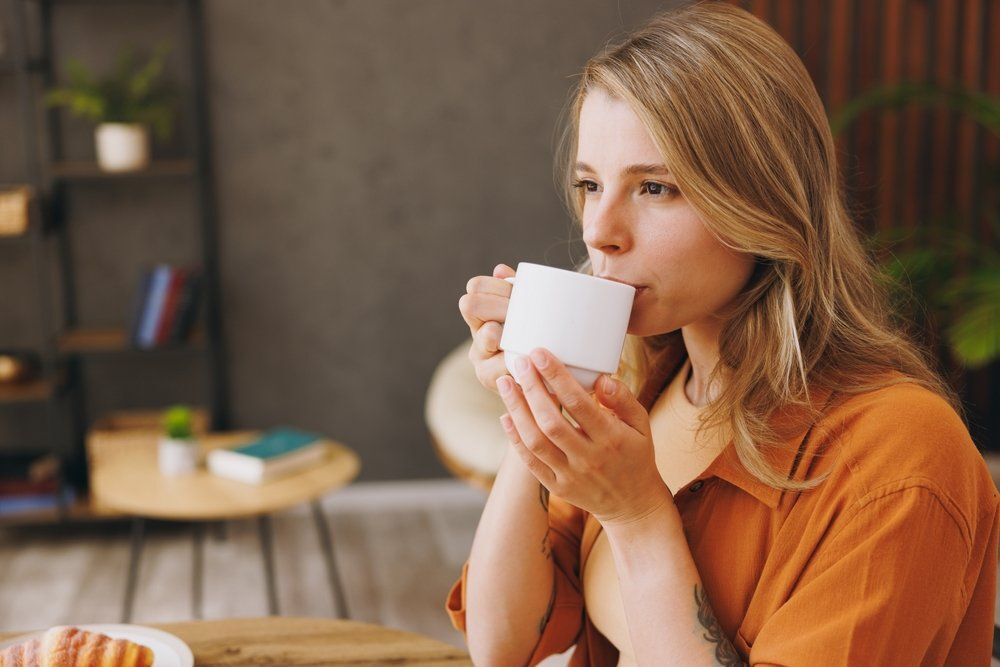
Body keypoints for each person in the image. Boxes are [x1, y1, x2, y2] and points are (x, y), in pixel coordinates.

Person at [447, 3, 998, 665]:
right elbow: (503, 643)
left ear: (762, 201)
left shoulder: (899, 459)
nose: (599, 230)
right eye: (591, 184)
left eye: (655, 187)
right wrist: (531, 395)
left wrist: (636, 516)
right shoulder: (644, 378)